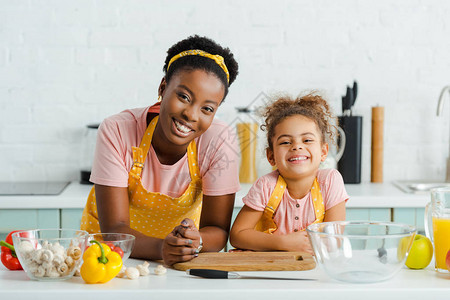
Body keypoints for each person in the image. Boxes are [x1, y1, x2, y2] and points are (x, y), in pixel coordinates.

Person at [80, 35, 240, 266]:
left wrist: (196, 242)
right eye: (183, 97)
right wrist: (162, 248)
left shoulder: (219, 140)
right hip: (110, 258)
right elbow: (114, 230)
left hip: (180, 260)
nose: (191, 115)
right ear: (163, 88)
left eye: (207, 108)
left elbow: (217, 231)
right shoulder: (117, 129)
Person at [229, 93, 348, 253]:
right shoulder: (266, 186)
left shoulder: (330, 181)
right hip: (271, 269)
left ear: (323, 151)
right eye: (285, 142)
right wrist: (282, 243)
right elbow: (237, 235)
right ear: (271, 156)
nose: (297, 147)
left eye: (307, 140)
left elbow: (334, 240)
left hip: (313, 270)